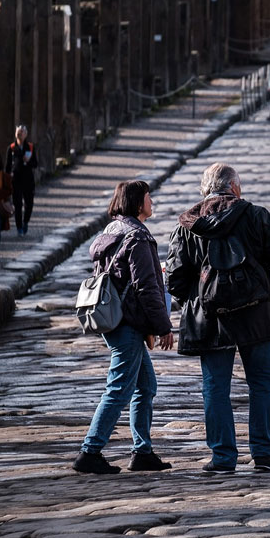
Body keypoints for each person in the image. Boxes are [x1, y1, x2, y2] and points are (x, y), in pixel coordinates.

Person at [165, 162, 270, 474]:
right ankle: (264, 454)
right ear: (235, 188)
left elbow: (174, 277)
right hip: (255, 312)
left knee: (215, 387)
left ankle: (223, 458)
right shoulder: (254, 215)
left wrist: (198, 299)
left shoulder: (188, 225)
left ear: (205, 189)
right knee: (264, 383)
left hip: (210, 318)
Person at [73, 180, 174, 475]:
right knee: (118, 389)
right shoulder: (138, 238)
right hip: (129, 324)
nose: (152, 201)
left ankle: (142, 452)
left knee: (145, 386)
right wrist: (162, 325)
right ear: (136, 203)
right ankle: (90, 451)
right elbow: (146, 288)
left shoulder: (112, 231)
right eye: (147, 197)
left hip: (116, 321)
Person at [5, 124, 37, 236]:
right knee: (17, 205)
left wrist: (28, 161)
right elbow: (7, 166)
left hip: (28, 180)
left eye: (22, 132)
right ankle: (19, 227)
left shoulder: (31, 147)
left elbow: (35, 164)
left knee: (29, 204)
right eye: (18, 132)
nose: (20, 134)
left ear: (26, 134)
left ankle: (25, 222)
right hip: (16, 180)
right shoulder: (12, 148)